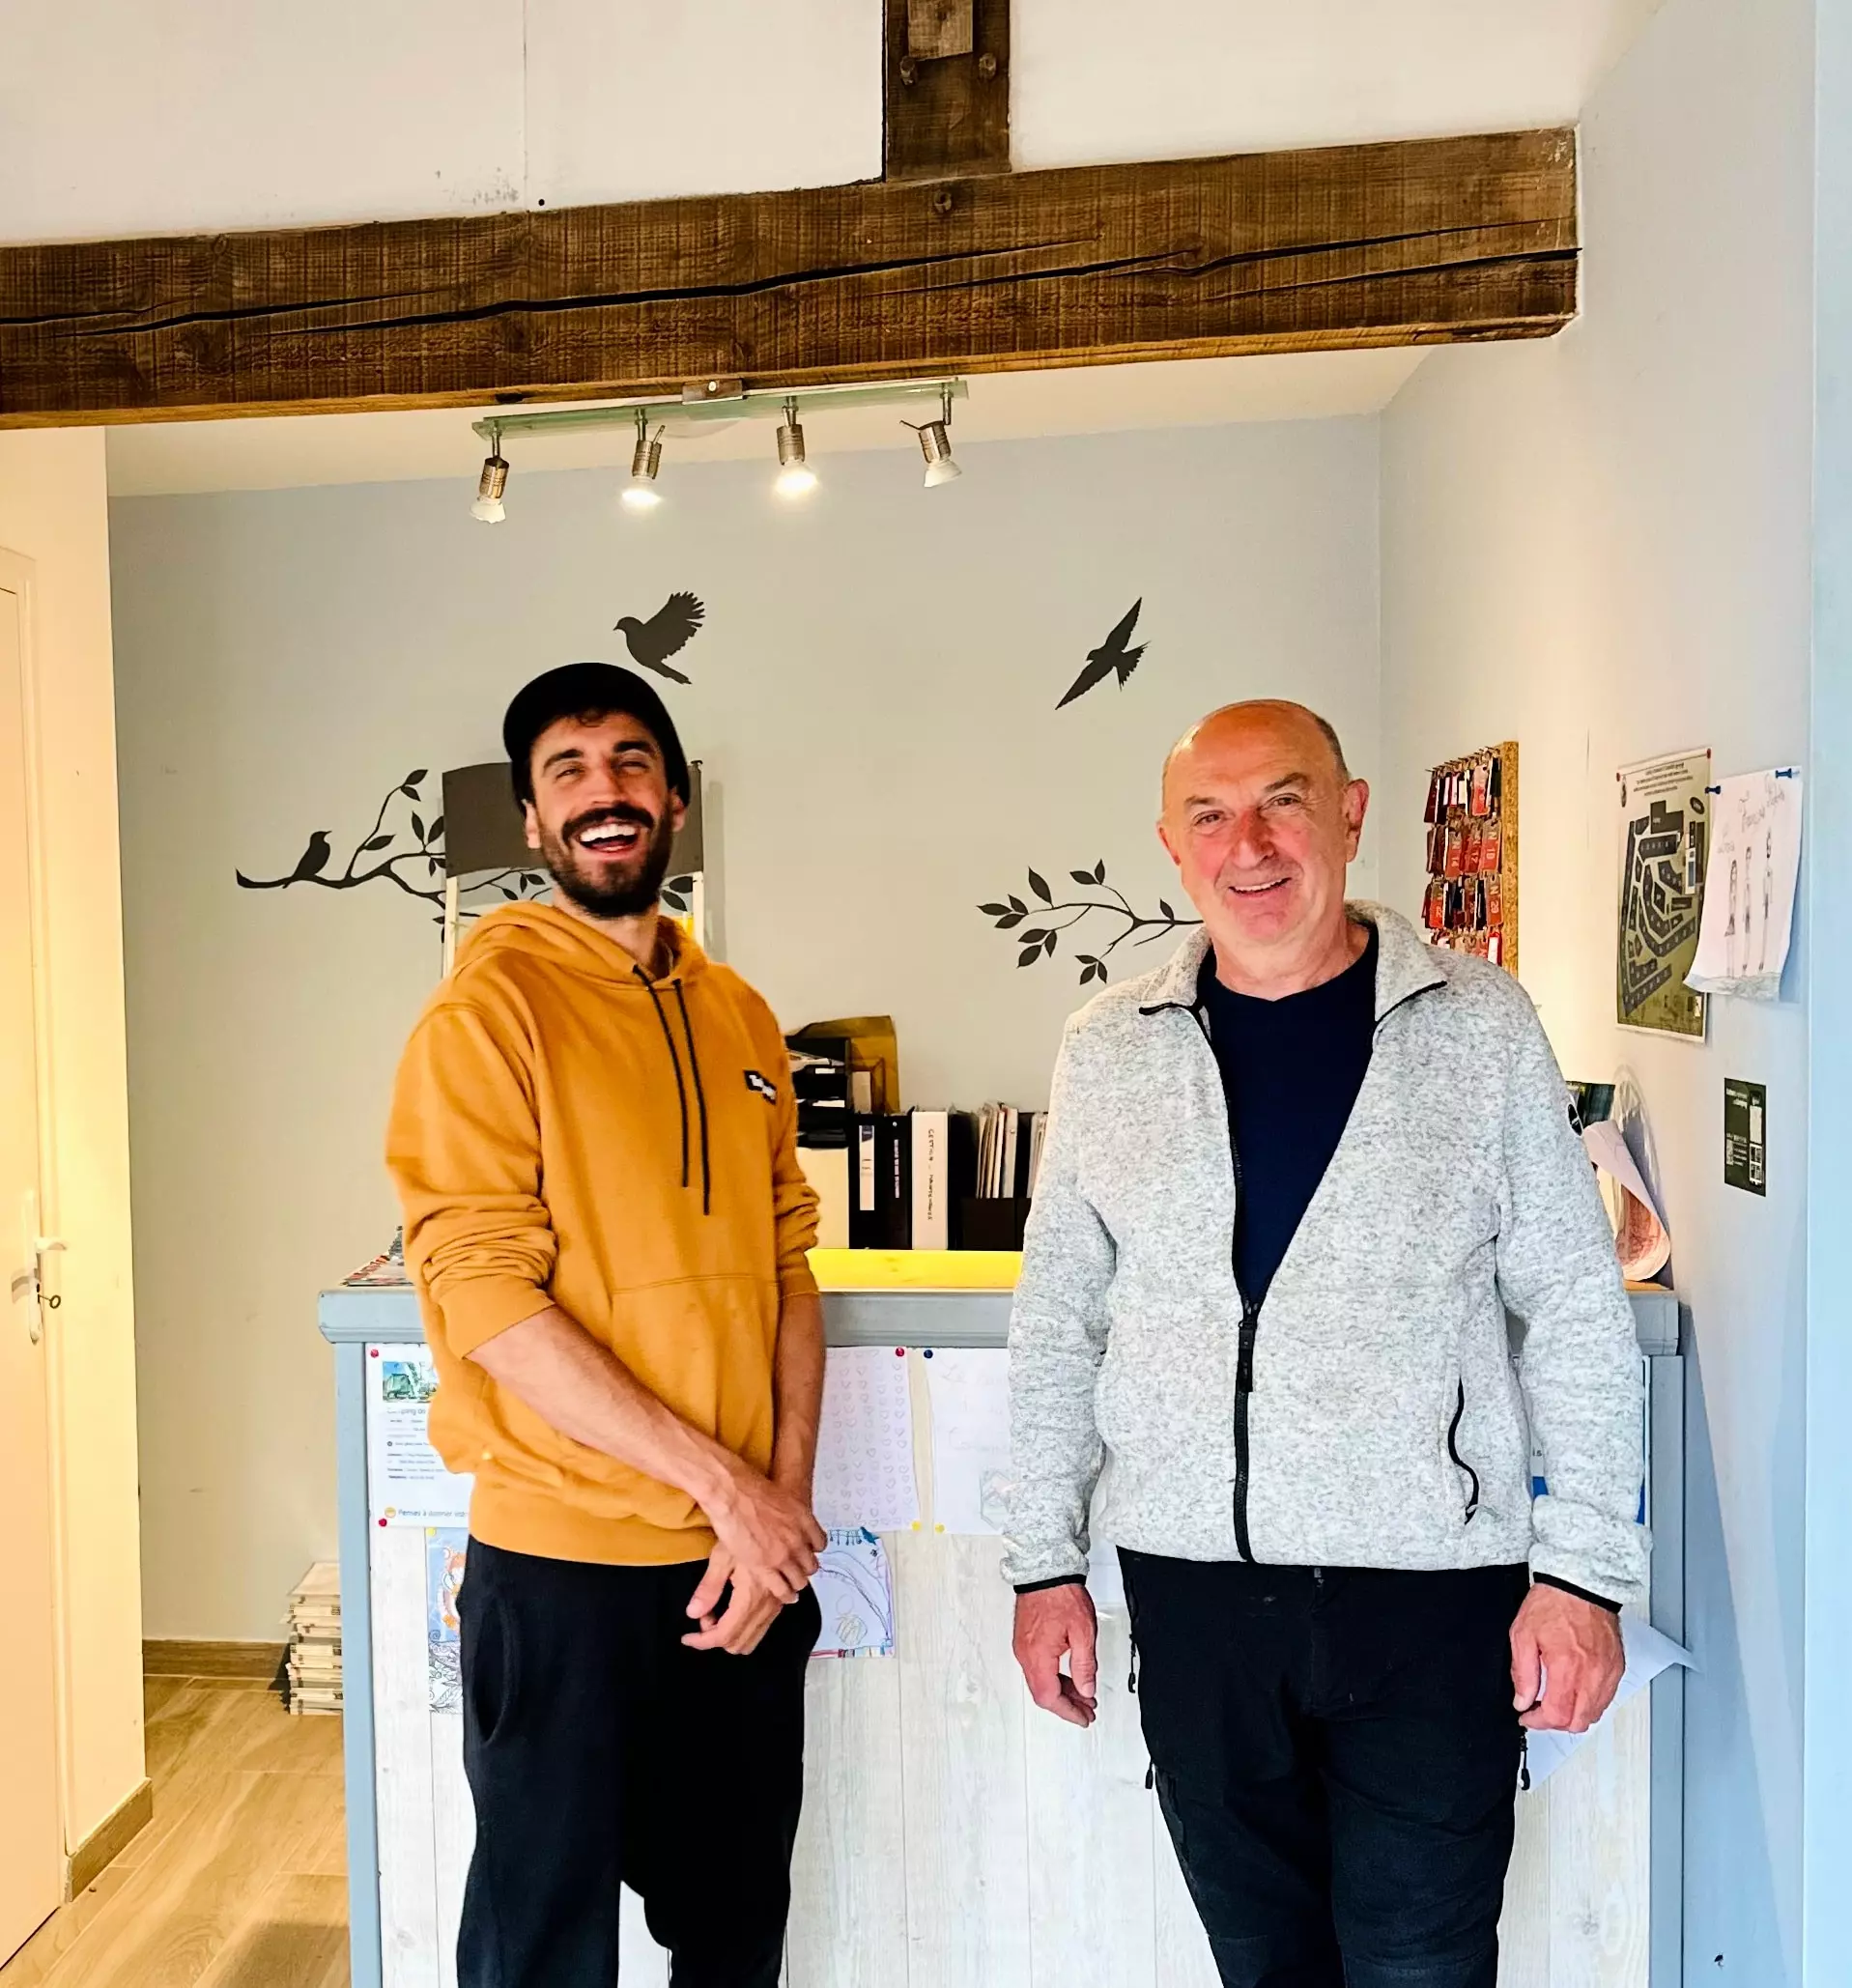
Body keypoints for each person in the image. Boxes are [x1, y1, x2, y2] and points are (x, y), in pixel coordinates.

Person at [1006, 700, 1647, 1988]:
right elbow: (1060, 1319)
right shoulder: (1109, 1048)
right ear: (1172, 846)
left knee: (1423, 1965)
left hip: (1429, 1600)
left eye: (1283, 801)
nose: (1249, 845)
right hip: (1196, 1598)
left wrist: (1584, 1576)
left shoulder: (1481, 1027)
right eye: (1210, 815)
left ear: (1351, 815)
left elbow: (1578, 1305)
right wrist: (1042, 1561)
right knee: (1264, 1965)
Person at [387, 664, 826, 1988]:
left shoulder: (740, 1015)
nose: (605, 792)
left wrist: (776, 1512)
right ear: (532, 820)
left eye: (632, 760)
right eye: (567, 771)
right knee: (544, 1949)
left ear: (675, 797)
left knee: (734, 1934)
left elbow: (787, 1266)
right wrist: (729, 1492)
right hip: (560, 1568)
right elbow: (485, 1298)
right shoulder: (485, 1014)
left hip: (738, 1573)